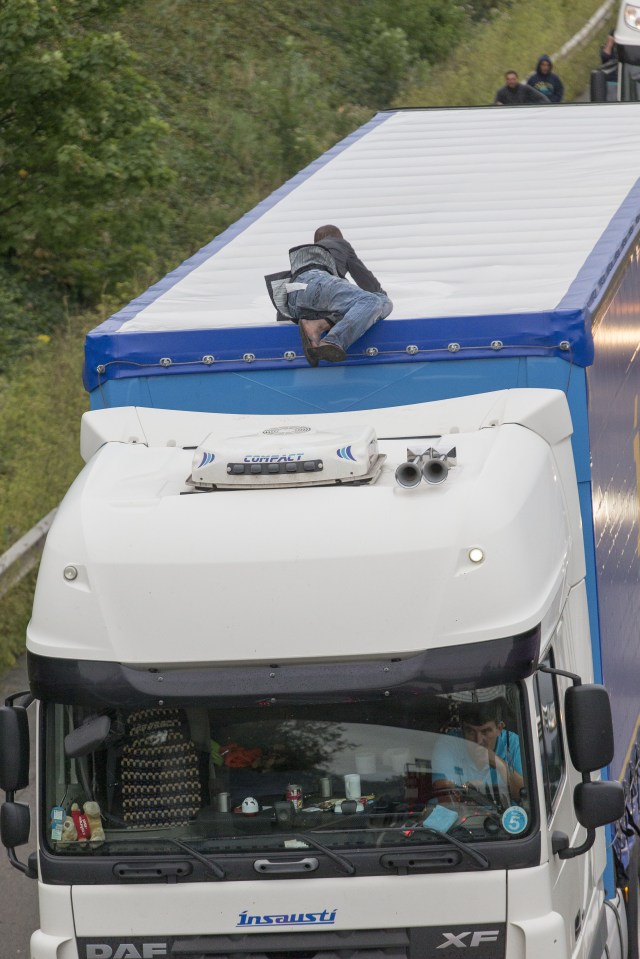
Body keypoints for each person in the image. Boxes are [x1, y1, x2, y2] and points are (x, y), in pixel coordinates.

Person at [285, 225, 392, 365]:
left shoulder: (305, 259)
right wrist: (382, 298)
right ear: (338, 237)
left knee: (352, 308)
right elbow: (366, 281)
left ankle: (317, 325)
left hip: (294, 298)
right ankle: (333, 340)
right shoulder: (339, 243)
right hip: (317, 281)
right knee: (375, 301)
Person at [431, 700, 524, 804]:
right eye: (470, 731)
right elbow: (445, 798)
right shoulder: (449, 744)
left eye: (485, 731)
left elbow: (525, 797)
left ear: (499, 728)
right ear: (462, 728)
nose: (478, 740)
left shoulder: (514, 745)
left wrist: (497, 763)